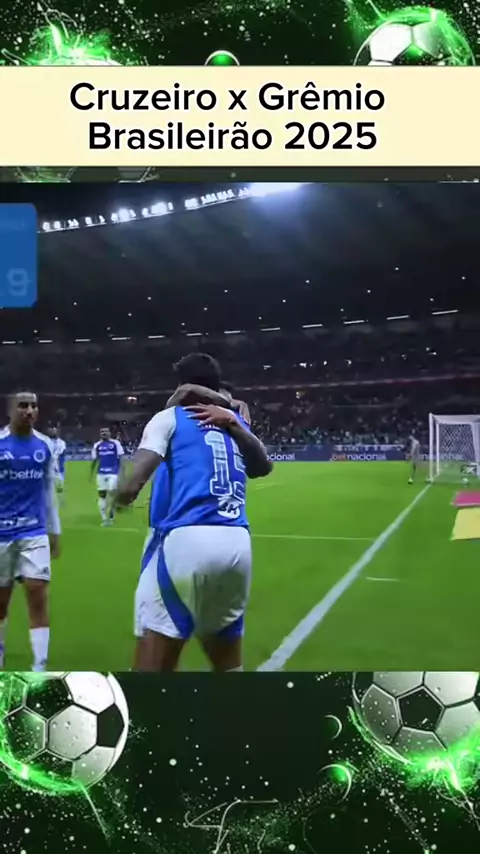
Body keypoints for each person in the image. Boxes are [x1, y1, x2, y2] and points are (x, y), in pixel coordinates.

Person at [116, 353, 272, 672]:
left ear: (181, 385)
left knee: (155, 658)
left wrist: (119, 490)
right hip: (237, 542)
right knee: (226, 661)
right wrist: (233, 412)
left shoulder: (169, 417)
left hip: (186, 541)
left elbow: (129, 488)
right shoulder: (233, 422)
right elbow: (262, 467)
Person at [0, 392, 61, 671]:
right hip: (2, 534)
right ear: (10, 410)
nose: (29, 410)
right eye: (22, 405)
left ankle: (40, 664)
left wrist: (54, 530)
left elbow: (48, 490)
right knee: (2, 601)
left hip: (33, 531)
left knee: (37, 592)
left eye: (33, 406)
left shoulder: (45, 445)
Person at [90, 428, 125, 526]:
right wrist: (91, 473)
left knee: (112, 492)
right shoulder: (97, 445)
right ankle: (104, 518)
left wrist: (122, 472)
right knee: (102, 495)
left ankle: (111, 511)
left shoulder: (116, 443)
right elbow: (94, 460)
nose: (104, 433)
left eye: (106, 431)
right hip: (101, 473)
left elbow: (121, 458)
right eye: (102, 432)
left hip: (113, 473)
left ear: (109, 433)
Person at [48, 426, 67, 506]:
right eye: (52, 431)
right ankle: (51, 503)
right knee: (49, 488)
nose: (54, 432)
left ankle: (61, 502)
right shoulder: (48, 442)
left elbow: (58, 454)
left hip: (59, 470)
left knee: (59, 488)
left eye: (55, 431)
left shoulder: (62, 443)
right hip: (49, 469)